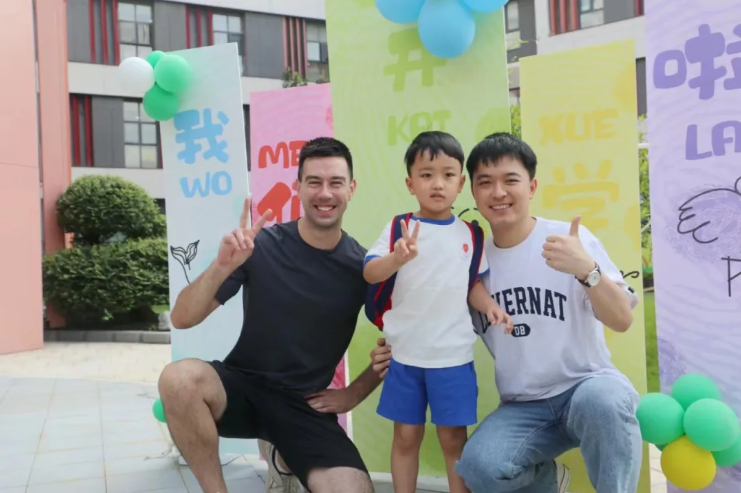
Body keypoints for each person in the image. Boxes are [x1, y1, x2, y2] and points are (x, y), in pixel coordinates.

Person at [371, 133, 642, 493]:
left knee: (604, 403)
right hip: (523, 407)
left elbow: (622, 319)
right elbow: (429, 312)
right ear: (471, 191)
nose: (498, 192)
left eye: (510, 180)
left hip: (585, 387)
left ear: (532, 186)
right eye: (486, 182)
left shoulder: (568, 241)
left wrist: (586, 270)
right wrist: (395, 347)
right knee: (477, 467)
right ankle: (549, 481)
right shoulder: (469, 256)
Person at [159, 137, 382, 493]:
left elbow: (404, 337)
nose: (325, 193)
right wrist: (220, 267)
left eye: (336, 182)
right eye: (314, 182)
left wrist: (354, 393)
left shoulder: (363, 267)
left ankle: (283, 456)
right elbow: (183, 318)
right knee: (178, 380)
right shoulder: (261, 245)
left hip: (304, 405)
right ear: (298, 187)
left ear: (351, 189)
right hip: (242, 388)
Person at [363, 131, 512, 493]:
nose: (437, 184)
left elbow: (471, 285)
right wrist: (397, 257)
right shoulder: (397, 228)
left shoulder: (470, 235)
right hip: (405, 356)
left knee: (452, 440)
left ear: (461, 183)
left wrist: (490, 306)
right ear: (410, 183)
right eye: (426, 175)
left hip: (453, 358)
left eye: (448, 175)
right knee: (405, 437)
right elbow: (370, 272)